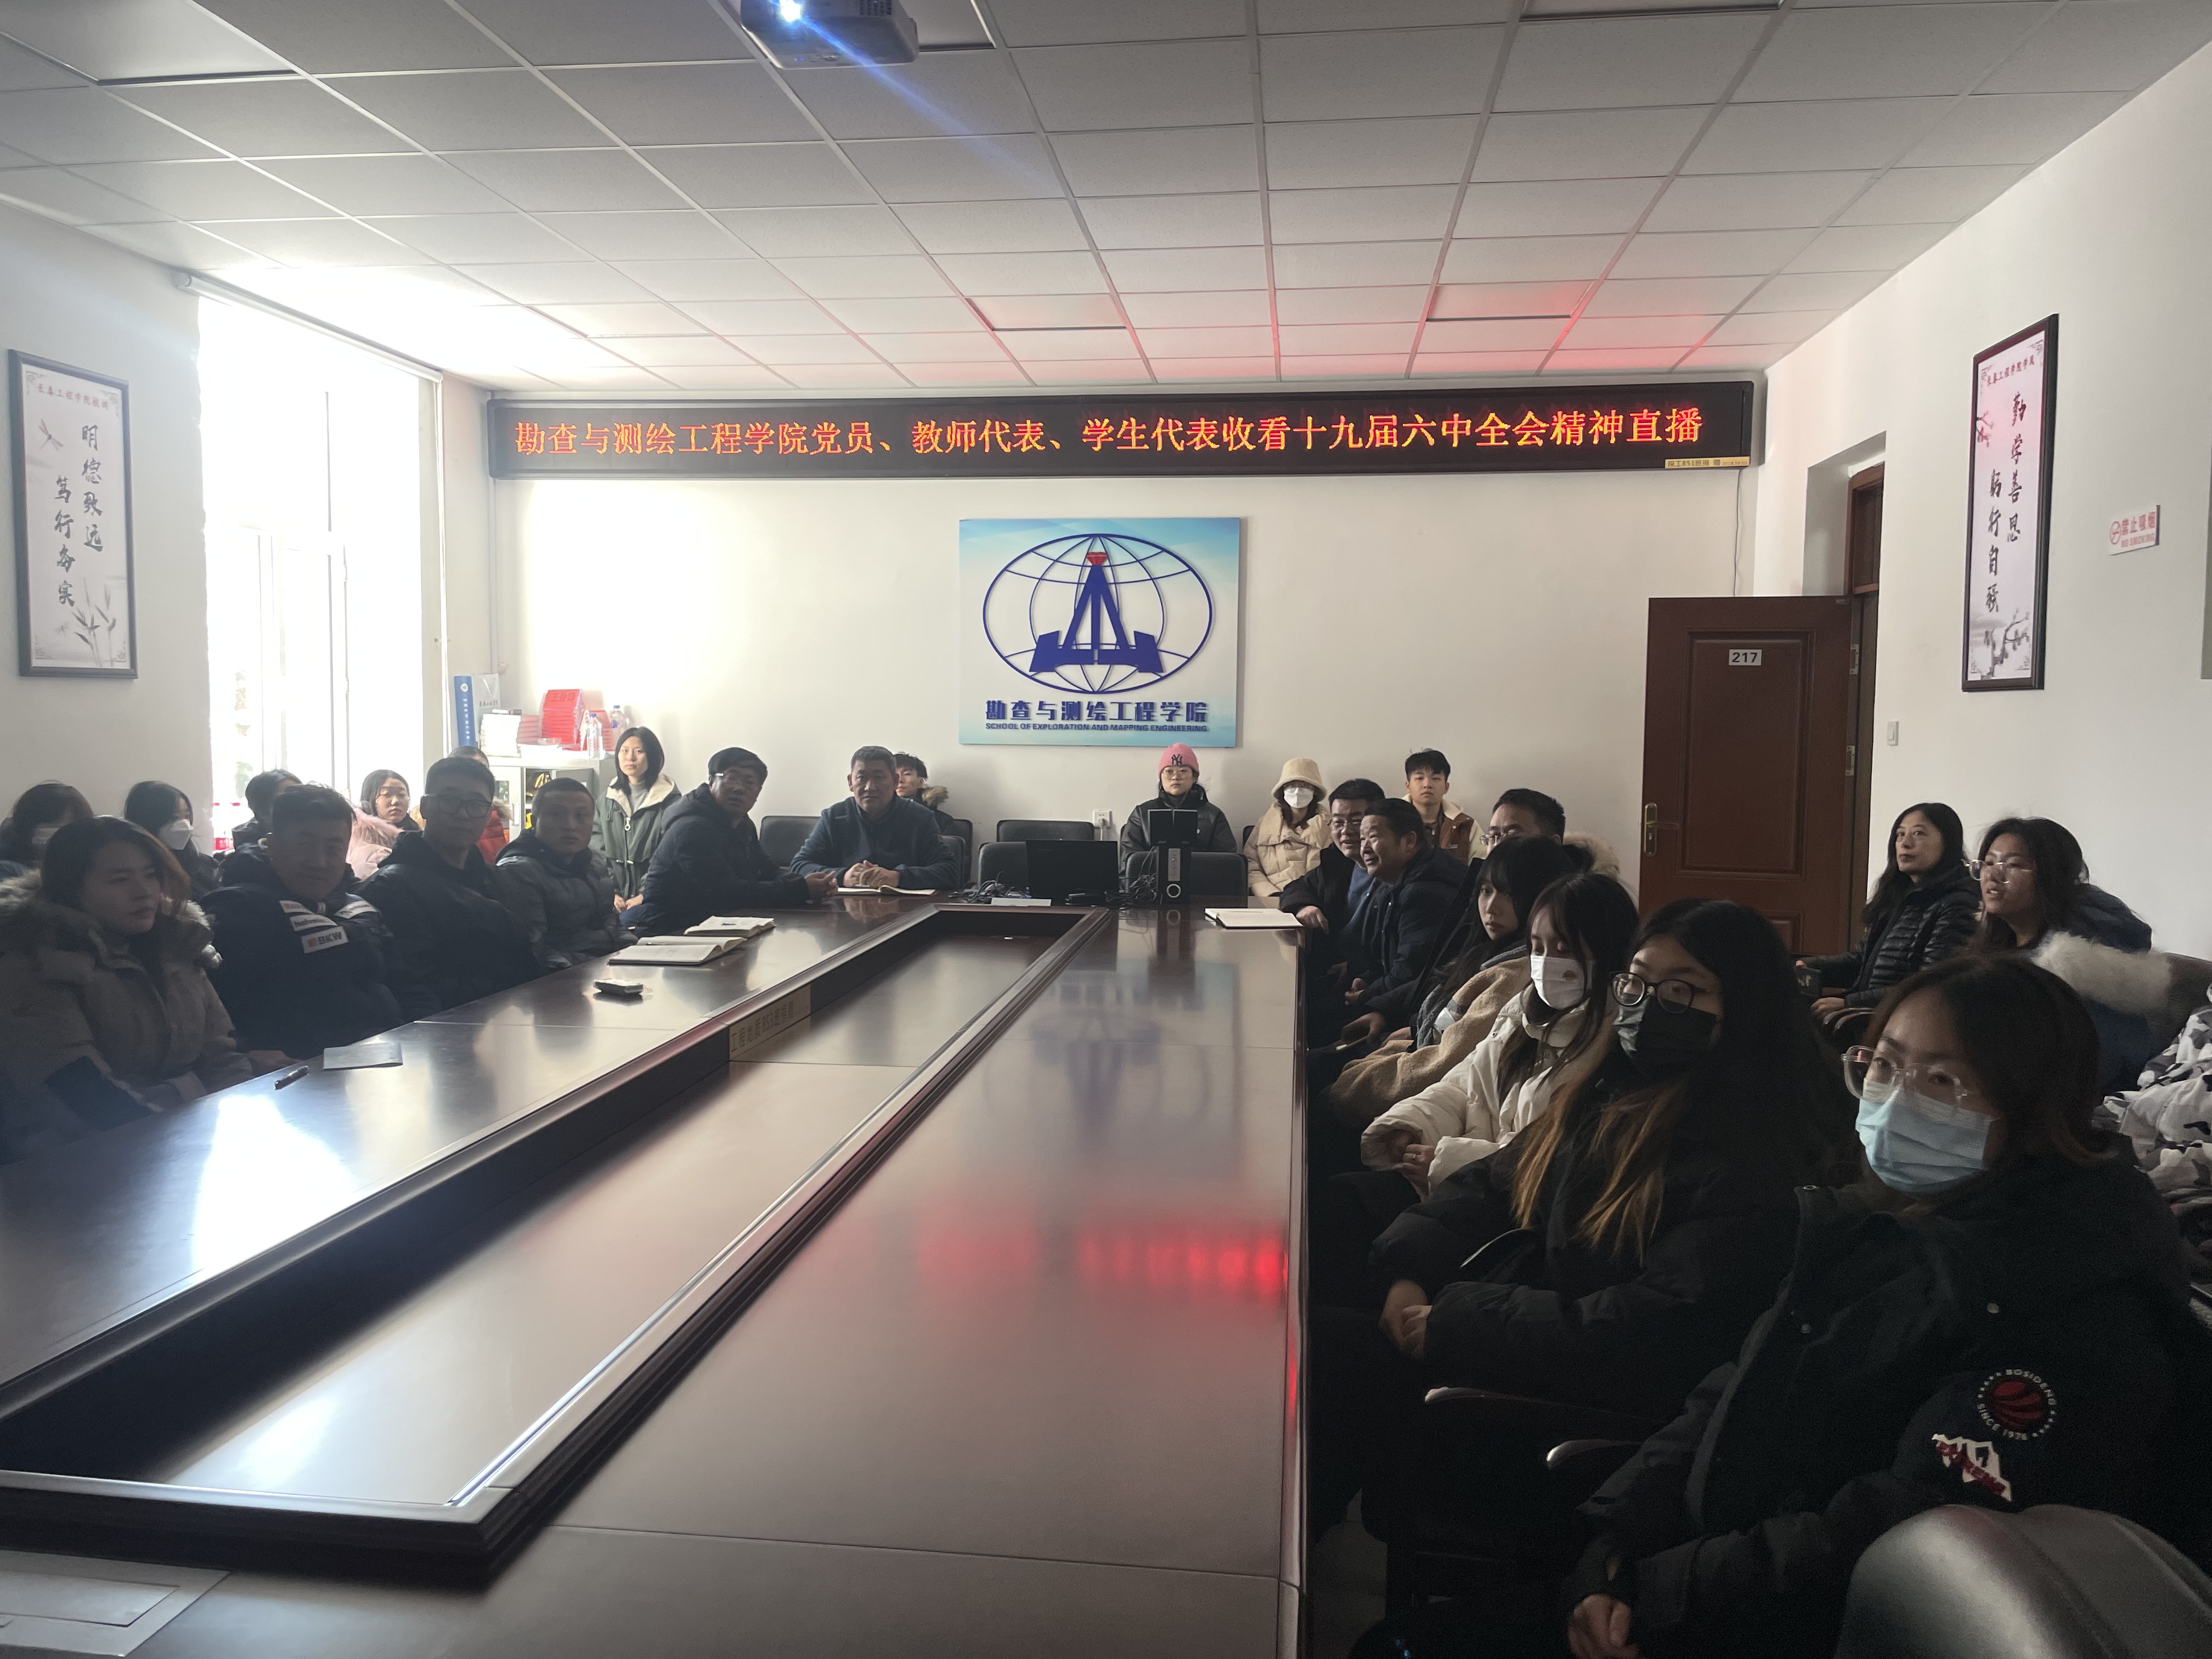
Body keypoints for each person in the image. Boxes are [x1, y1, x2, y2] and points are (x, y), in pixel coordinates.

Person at [1521, 957, 2212, 1659]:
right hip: (1707, 1582)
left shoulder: (2077, 1301)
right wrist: (1612, 1543)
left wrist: (1658, 1592)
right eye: (1883, 1064)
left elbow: (1898, 1529)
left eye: (1940, 1081)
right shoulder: (1881, 1222)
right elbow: (1733, 1395)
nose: (1894, 1098)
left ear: (2032, 1106)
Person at [1308, 900, 1854, 1545]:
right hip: (1519, 1340)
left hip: (1574, 1419)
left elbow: (1654, 1330)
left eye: (1683, 991)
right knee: (1313, 1321)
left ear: (1748, 1006)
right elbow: (1494, 1182)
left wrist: (1457, 1323)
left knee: (1327, 1358)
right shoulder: (1610, 1092)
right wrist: (1408, 1270)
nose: (1651, 1007)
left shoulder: (1753, 1154)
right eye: (1638, 984)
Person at [1311, 872, 1639, 1307]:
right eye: (1538, 947)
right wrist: (1413, 1126)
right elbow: (1464, 1083)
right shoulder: (1524, 1011)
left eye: (1564, 949)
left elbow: (1547, 1160)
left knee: (1344, 1214)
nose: (1546, 963)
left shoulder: (1612, 1045)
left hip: (1506, 1212)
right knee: (1334, 1196)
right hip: (1455, 1181)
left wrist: (1447, 1159)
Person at [0, 817, 252, 1161]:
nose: (144, 891)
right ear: (71, 888)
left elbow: (222, 1052)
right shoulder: (34, 964)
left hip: (191, 1138)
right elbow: (77, 1094)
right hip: (82, 1159)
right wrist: (182, 1130)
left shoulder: (176, 944)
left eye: (150, 875)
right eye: (120, 880)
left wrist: (236, 1123)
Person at [205, 785, 432, 1062]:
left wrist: (428, 1039)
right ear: (272, 846)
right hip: (301, 1072)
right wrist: (247, 1055)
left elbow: (408, 987)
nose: (320, 862)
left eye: (334, 848)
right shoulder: (237, 913)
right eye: (304, 845)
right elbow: (219, 1012)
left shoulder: (361, 909)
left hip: (389, 1061)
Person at [1970, 816, 2165, 1091]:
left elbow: (2092, 1067)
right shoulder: (2000, 950)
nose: (1993, 875)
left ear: (2052, 876)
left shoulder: (2083, 967)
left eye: (2013, 865)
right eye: (1989, 863)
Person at [360, 754, 539, 1013]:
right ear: (425, 807)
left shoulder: (502, 881)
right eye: (449, 800)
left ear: (488, 814)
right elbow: (417, 986)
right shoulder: (390, 888)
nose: (463, 814)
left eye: (476, 804)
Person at [1801, 802, 1978, 1039]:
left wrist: (1849, 1003)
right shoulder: (1900, 897)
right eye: (1900, 835)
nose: (1905, 843)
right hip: (1874, 1017)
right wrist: (1808, 968)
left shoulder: (1958, 903)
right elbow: (1859, 962)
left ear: (1948, 843)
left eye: (1918, 833)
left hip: (1905, 1027)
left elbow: (1930, 984)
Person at [634, 747, 836, 935]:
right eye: (731, 778)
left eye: (750, 783)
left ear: (758, 793)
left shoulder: (742, 824)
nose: (739, 788)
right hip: (671, 931)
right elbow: (725, 893)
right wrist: (802, 889)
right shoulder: (692, 828)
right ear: (711, 781)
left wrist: (813, 884)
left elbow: (768, 871)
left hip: (717, 926)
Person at [1338, 799, 1465, 1039]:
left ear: (1409, 842)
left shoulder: (1426, 892)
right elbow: (1389, 957)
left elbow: (1412, 971)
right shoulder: (1396, 881)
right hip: (1398, 1001)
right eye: (1363, 839)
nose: (1365, 848)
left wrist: (1368, 996)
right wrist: (1367, 979)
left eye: (1373, 837)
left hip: (1415, 1014)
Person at [497, 778, 634, 971]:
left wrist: (635, 953)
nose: (570, 825)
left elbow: (610, 922)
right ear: (535, 822)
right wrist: (587, 976)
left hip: (605, 968)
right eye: (557, 815)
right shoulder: (517, 872)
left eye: (581, 816)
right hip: (563, 979)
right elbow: (535, 949)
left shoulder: (593, 861)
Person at [791, 746, 961, 891]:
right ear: (850, 782)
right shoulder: (835, 816)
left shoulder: (920, 817)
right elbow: (799, 865)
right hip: (843, 911)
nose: (869, 787)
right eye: (861, 778)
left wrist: (898, 877)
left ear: (895, 781)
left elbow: (950, 872)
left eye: (879, 778)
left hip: (906, 912)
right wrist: (843, 876)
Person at [1284, 778, 1389, 940]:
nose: (1346, 831)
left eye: (1356, 821)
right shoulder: (1337, 860)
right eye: (1338, 822)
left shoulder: (1394, 870)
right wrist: (1304, 906)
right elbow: (1297, 887)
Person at [594, 726, 676, 914]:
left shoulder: (669, 801)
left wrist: (645, 894)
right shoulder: (607, 801)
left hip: (655, 897)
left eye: (639, 752)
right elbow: (596, 850)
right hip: (612, 898)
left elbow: (667, 856)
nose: (630, 758)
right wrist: (610, 892)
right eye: (624, 751)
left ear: (653, 756)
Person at [1118, 742, 1237, 868]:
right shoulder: (1142, 814)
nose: (1175, 777)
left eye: (1183, 771)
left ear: (1194, 777)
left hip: (1201, 880)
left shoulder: (1213, 816)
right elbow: (1128, 865)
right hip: (1149, 881)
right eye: (1169, 772)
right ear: (1161, 778)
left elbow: (1227, 865)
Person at [1247, 757, 1329, 906]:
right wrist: (1271, 895)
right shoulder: (1264, 824)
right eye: (1291, 785)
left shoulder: (1331, 826)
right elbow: (1251, 865)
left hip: (1318, 904)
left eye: (1305, 785)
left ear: (1315, 791)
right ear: (1283, 790)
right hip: (1272, 903)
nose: (1297, 791)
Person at [120, 781, 221, 902]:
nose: (185, 825)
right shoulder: (142, 873)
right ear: (148, 821)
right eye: (174, 818)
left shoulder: (203, 864)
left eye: (187, 816)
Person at [0, 782, 92, 879]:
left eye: (73, 824)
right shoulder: (7, 871)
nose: (65, 830)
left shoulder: (91, 869)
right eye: (55, 823)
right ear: (27, 825)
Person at [1404, 749, 1476, 864]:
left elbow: (1482, 867)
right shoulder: (1391, 821)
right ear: (1408, 786)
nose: (1427, 785)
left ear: (1446, 787)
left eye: (1436, 779)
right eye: (1420, 778)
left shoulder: (1465, 824)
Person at [450, 746, 512, 864]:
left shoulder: (496, 815)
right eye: (469, 769)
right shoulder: (436, 811)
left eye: (484, 770)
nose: (479, 776)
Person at [228, 769, 300, 854]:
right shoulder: (253, 857)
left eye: (303, 795)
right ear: (263, 813)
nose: (304, 804)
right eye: (291, 799)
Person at [891, 753, 962, 838]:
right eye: (894, 774)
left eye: (907, 774)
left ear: (920, 782)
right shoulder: (877, 816)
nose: (900, 780)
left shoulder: (943, 821)